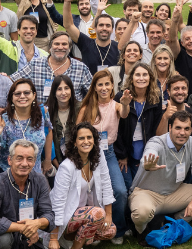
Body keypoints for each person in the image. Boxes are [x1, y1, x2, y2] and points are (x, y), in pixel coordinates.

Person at [128, 110, 192, 235]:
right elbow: (150, 151)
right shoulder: (157, 141)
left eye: (186, 129)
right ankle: (141, 231)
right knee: (143, 212)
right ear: (170, 128)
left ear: (191, 130)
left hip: (174, 193)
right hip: (147, 193)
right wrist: (147, 163)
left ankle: (172, 224)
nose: (182, 133)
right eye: (178, 128)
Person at [76, 69, 131, 242]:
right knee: (92, 193)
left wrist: (126, 103)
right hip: (88, 155)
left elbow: (124, 113)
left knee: (120, 191)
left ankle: (118, 229)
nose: (104, 87)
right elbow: (77, 131)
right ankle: (95, 230)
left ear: (112, 85)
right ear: (95, 87)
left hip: (108, 154)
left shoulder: (116, 105)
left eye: (107, 84)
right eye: (100, 84)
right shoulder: (87, 108)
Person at [50, 123, 117, 249]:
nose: (86, 141)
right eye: (81, 138)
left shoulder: (98, 156)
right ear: (74, 143)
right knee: (97, 214)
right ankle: (72, 242)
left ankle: (76, 237)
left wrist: (109, 215)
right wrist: (53, 238)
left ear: (94, 140)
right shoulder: (66, 167)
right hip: (66, 215)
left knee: (110, 230)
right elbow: (57, 203)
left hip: (85, 211)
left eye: (89, 137)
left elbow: (107, 183)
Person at [0, 139, 55, 249]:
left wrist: (37, 223)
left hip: (27, 238)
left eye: (29, 159)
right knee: (4, 240)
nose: (25, 163)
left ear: (34, 162)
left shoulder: (40, 180)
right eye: (19, 158)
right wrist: (24, 228)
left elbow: (49, 216)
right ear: (10, 160)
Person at [0, 79, 54, 180]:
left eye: (26, 92)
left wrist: (48, 160)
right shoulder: (5, 121)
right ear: (11, 98)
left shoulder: (42, 112)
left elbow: (48, 131)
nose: (22, 96)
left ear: (34, 95)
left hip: (34, 174)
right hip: (7, 175)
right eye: (17, 93)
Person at [12, 31, 93, 104]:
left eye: (64, 44)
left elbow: (93, 92)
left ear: (69, 48)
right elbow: (12, 80)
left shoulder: (81, 68)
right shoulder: (35, 65)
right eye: (56, 44)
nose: (60, 47)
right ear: (50, 47)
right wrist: (2, 78)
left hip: (71, 117)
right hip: (42, 117)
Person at [45, 75, 79, 173]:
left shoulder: (80, 109)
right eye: (59, 89)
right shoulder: (47, 111)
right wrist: (58, 166)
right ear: (54, 92)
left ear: (71, 90)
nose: (63, 93)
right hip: (55, 162)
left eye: (66, 88)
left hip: (77, 161)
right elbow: (47, 142)